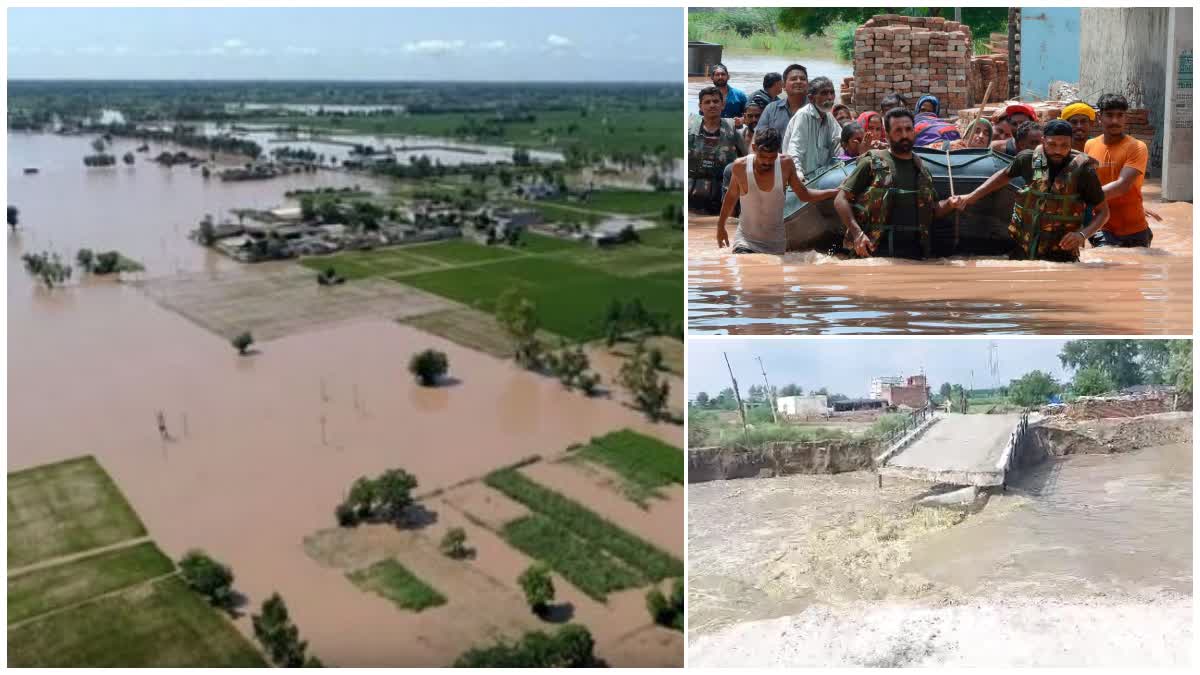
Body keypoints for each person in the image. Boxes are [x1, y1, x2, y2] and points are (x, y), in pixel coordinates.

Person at [952, 119, 1109, 261]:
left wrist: (1082, 235)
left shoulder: (1083, 172)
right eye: (1052, 144)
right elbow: (1002, 177)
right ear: (1043, 141)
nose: (1058, 151)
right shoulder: (1029, 160)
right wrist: (970, 197)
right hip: (1023, 250)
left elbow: (1103, 212)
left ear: (1071, 143)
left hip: (1062, 255)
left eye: (1064, 146)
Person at [834, 108, 958, 259]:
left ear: (914, 132)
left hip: (915, 257)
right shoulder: (872, 162)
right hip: (874, 255)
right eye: (898, 130)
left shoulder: (922, 170)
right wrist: (857, 234)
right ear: (887, 135)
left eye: (908, 129)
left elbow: (933, 210)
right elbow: (840, 199)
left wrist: (950, 204)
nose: (904, 135)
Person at [716, 127, 839, 254]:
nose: (767, 162)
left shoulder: (786, 164)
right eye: (763, 156)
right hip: (745, 241)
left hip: (775, 244)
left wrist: (834, 192)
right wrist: (721, 227)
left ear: (778, 151)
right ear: (754, 147)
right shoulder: (740, 166)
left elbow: (804, 195)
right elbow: (730, 199)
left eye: (772, 157)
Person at [1085, 93, 1153, 247]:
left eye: (1120, 115)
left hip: (1135, 230)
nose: (1115, 120)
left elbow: (1122, 186)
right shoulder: (1090, 146)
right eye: (1109, 115)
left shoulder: (1137, 147)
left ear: (1125, 118)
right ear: (1099, 117)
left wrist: (1083, 198)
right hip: (1102, 228)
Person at [688, 86, 747, 214]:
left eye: (715, 101)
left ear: (723, 104)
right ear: (700, 106)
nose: (712, 105)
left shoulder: (735, 131)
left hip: (723, 199)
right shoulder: (688, 130)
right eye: (707, 102)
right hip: (691, 200)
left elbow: (749, 162)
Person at [783, 76, 841, 178]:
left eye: (832, 93)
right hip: (804, 179)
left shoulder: (828, 116)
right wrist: (797, 173)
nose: (830, 97)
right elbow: (795, 149)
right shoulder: (804, 115)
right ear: (811, 98)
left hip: (822, 176)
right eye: (824, 93)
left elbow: (839, 142)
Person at [758, 64, 808, 138]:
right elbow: (757, 137)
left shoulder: (816, 110)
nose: (798, 81)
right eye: (793, 79)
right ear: (784, 86)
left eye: (803, 79)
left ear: (808, 84)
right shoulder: (771, 109)